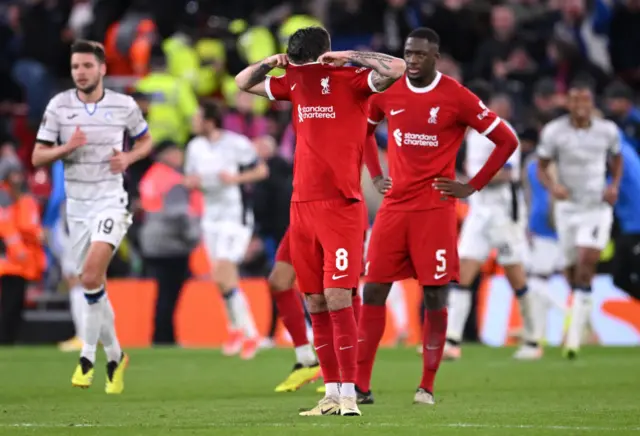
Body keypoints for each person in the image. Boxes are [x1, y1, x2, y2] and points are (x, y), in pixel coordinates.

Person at [236, 26, 406, 416]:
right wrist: (269, 63)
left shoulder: (353, 79)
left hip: (341, 203)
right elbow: (243, 82)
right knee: (313, 298)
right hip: (302, 205)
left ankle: (350, 394)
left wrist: (349, 55)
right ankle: (331, 393)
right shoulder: (294, 81)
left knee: (338, 296)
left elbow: (395, 68)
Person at [356, 28, 519, 406]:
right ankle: (360, 386)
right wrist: (376, 175)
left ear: (436, 57)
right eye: (408, 53)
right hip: (395, 207)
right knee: (374, 288)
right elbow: (364, 131)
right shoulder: (389, 91)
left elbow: (507, 139)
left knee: (434, 294)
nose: (411, 60)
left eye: (419, 55)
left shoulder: (456, 96)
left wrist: (472, 185)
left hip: (435, 209)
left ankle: (426, 385)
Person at [32, 40, 153, 393]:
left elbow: (145, 141)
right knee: (93, 284)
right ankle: (115, 355)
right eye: (75, 67)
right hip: (77, 208)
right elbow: (38, 157)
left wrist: (129, 159)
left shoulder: (123, 105)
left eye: (87, 66)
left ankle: (87, 357)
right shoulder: (59, 107)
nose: (81, 72)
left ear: (102, 69)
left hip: (111, 201)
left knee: (88, 274)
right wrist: (67, 148)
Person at [270, 134, 390, 394]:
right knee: (279, 281)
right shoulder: (305, 99)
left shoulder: (350, 100)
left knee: (345, 291)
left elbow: (369, 132)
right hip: (306, 210)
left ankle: (350, 376)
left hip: (342, 211)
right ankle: (306, 359)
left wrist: (377, 174)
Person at [445, 85, 540, 362]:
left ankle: (533, 340)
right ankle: (452, 341)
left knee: (515, 275)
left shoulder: (505, 132)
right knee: (463, 272)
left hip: (504, 215)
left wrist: (474, 181)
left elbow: (508, 174)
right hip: (480, 213)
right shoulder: (474, 134)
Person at [536, 79, 622, 359]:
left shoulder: (607, 130)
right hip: (567, 208)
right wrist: (553, 187)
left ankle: (573, 339)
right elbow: (542, 166)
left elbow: (617, 159)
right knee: (572, 270)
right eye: (575, 100)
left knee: (587, 262)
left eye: (585, 100)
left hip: (596, 207)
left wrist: (614, 186)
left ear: (591, 102)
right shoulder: (554, 132)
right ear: (568, 103)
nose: (580, 106)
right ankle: (583, 325)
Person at [184, 101, 269, 360]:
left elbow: (261, 170)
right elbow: (190, 179)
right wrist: (193, 183)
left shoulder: (236, 143)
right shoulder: (194, 147)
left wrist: (236, 179)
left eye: (197, 117)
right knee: (221, 279)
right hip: (211, 218)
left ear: (210, 120)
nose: (194, 123)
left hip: (236, 217)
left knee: (224, 270)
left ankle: (251, 333)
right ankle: (235, 329)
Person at [139, 140, 202, 345]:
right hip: (171, 243)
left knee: (163, 293)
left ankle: (161, 336)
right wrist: (192, 238)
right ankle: (165, 338)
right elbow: (178, 214)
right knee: (170, 293)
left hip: (152, 239)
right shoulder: (174, 180)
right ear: (167, 154)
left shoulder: (151, 176)